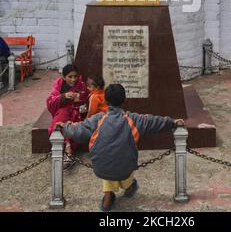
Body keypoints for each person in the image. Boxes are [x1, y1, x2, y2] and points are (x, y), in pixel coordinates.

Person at [56, 83, 179, 211]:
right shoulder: (134, 120)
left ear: (105, 100)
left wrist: (64, 127)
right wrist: (172, 122)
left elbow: (79, 131)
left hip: (101, 168)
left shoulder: (97, 120)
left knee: (108, 157)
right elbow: (154, 122)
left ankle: (107, 199)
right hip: (125, 167)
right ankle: (129, 188)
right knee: (122, 159)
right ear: (124, 100)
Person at [46, 64, 88, 159]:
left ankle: (68, 149)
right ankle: (66, 145)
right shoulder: (59, 85)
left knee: (74, 123)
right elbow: (50, 101)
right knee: (60, 118)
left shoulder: (81, 85)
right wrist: (63, 97)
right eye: (70, 77)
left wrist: (79, 100)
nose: (73, 79)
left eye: (75, 76)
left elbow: (85, 102)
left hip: (77, 112)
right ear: (64, 77)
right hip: (63, 110)